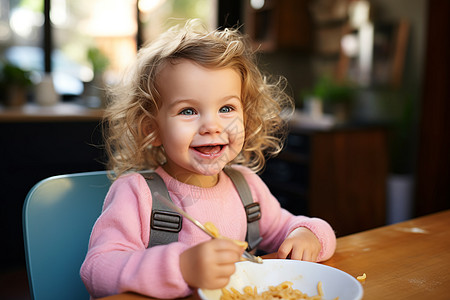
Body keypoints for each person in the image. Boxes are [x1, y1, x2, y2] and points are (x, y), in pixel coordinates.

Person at [80, 20, 336, 299]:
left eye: (226, 108)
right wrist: (181, 267)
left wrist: (307, 234)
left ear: (246, 120)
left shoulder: (247, 188)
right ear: (152, 129)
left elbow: (296, 227)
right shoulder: (138, 194)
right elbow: (97, 271)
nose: (211, 126)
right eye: (188, 111)